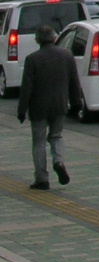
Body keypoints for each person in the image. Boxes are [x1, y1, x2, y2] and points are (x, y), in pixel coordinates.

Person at [17, 25, 83, 191]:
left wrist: (21, 110)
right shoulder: (67, 55)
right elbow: (74, 81)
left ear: (37, 40)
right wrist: (77, 103)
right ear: (54, 38)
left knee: (38, 142)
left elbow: (27, 87)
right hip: (60, 104)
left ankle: (41, 179)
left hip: (38, 107)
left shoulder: (32, 59)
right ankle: (58, 161)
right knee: (56, 136)